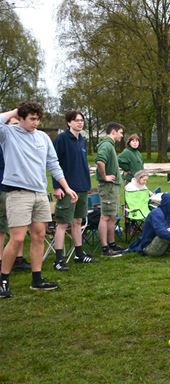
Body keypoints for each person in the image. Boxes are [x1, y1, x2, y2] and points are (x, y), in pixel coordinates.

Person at [0, 103, 78, 298]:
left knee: (39, 236)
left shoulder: (43, 137)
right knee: (17, 238)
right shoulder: (8, 134)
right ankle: (3, 280)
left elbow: (53, 164)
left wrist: (66, 187)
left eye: (38, 119)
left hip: (40, 193)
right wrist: (15, 112)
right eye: (32, 119)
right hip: (18, 193)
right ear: (21, 118)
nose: (36, 123)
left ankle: (37, 279)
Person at [52, 110, 94, 271]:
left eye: (82, 120)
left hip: (82, 187)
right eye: (76, 120)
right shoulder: (62, 139)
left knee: (77, 221)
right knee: (62, 224)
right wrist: (57, 186)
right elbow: (53, 163)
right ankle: (58, 259)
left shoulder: (82, 140)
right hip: (67, 189)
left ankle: (79, 254)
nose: (80, 123)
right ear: (69, 122)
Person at [0, 116, 32, 278]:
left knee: (19, 229)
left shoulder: (19, 143)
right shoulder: (4, 140)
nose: (16, 128)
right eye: (12, 125)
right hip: (2, 188)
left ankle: (18, 259)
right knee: (1, 229)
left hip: (18, 191)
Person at [96, 122, 125, 256]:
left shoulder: (110, 145)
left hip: (113, 187)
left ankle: (112, 244)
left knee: (112, 216)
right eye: (121, 132)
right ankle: (105, 248)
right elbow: (100, 161)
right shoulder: (106, 145)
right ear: (113, 131)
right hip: (108, 187)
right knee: (105, 217)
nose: (122, 135)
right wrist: (105, 177)